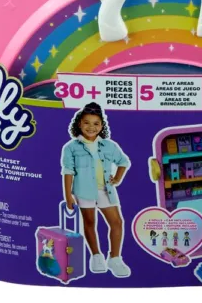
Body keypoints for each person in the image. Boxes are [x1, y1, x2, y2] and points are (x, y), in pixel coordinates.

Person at [62, 103, 131, 277]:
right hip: (83, 191)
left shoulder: (109, 146)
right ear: (79, 124)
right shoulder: (71, 147)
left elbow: (123, 162)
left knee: (116, 222)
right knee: (90, 222)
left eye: (96, 123)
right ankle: (96, 256)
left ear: (101, 126)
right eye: (86, 122)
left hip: (105, 190)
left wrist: (117, 178)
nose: (91, 127)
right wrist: (68, 195)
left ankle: (115, 258)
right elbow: (68, 171)